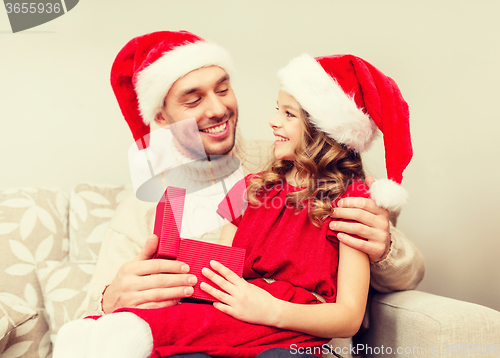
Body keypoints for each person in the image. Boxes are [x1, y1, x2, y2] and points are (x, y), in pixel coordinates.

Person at [54, 31, 424, 356]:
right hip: (203, 338)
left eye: (223, 87)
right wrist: (111, 298)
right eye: (193, 99)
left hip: (304, 343)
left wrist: (385, 248)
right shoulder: (144, 207)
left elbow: (404, 275)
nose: (218, 108)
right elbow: (94, 314)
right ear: (162, 118)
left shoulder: (302, 165)